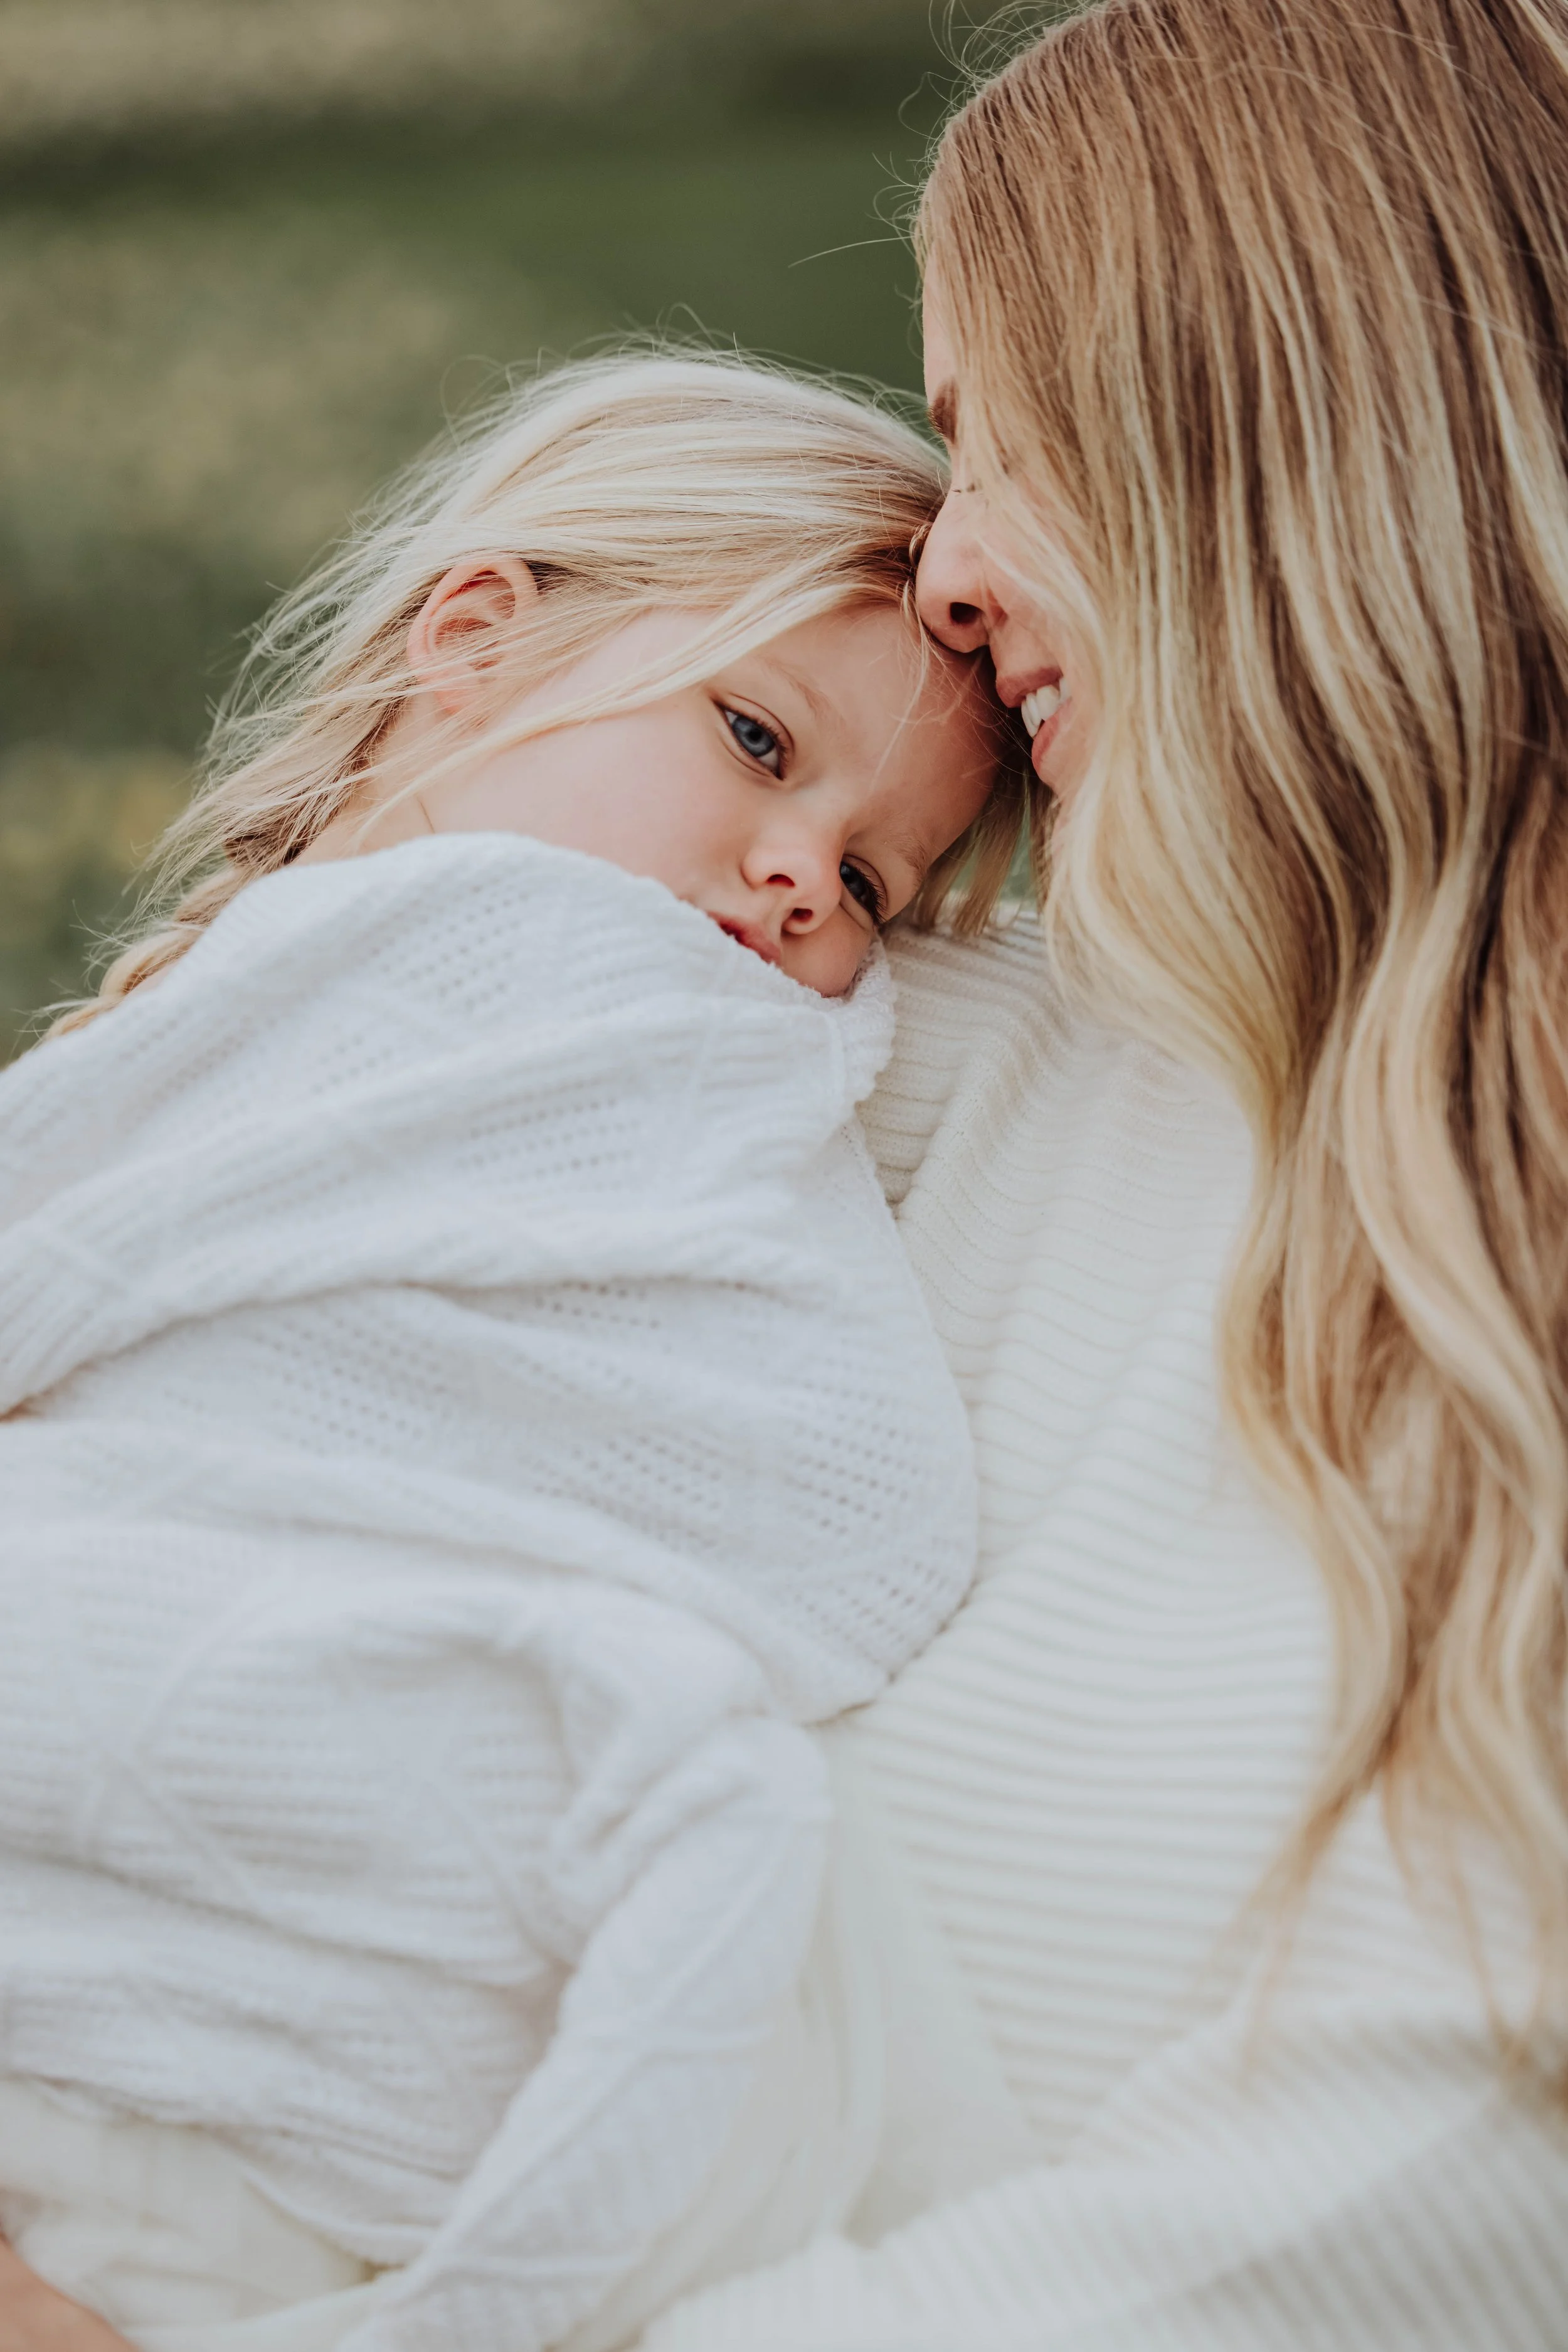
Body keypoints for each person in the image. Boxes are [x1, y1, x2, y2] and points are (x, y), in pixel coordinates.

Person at [630, 0, 1568, 2343]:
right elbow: (404, 1075)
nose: (939, 579)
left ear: (1257, 399)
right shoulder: (1002, 1049)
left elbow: (1441, 2185)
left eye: (991, 437)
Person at [0, 353, 1023, 2352]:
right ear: (476, 637)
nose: (805, 875)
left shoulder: (667, 1046)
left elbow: (837, 1506)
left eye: (878, 884)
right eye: (755, 738)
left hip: (312, 2000)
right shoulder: (368, 977)